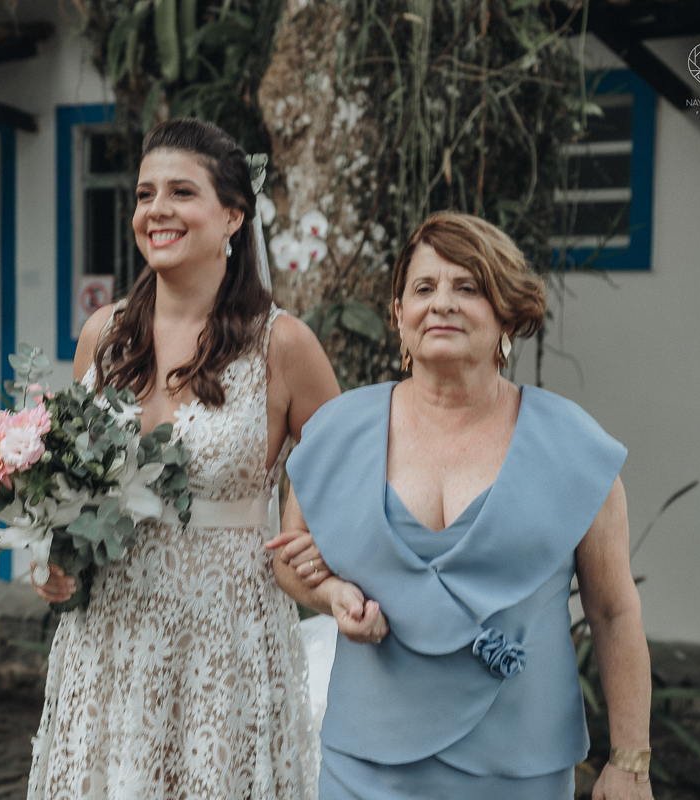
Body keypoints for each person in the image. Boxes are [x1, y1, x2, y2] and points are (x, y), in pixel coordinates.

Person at [267, 211, 654, 800]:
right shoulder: (336, 433)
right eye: (423, 288)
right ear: (399, 316)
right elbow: (288, 559)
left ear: (506, 313)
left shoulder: (573, 448)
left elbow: (613, 612)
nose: (441, 303)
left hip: (519, 764)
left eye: (467, 287)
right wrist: (331, 596)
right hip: (367, 759)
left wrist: (630, 760)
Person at [26, 118, 341, 800]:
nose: (156, 210)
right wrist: (55, 558)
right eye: (144, 194)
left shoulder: (282, 345)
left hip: (224, 635)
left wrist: (309, 548)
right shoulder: (102, 337)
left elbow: (336, 477)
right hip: (110, 632)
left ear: (232, 214)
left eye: (180, 192)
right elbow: (72, 487)